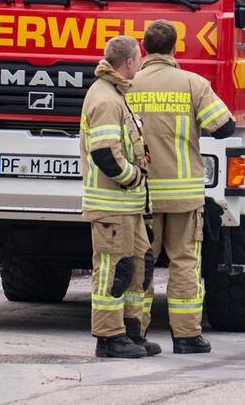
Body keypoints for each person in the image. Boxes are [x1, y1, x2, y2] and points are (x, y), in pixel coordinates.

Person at [127, 20, 234, 354]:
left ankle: (135, 334)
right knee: (185, 262)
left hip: (140, 193)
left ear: (143, 49)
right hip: (183, 196)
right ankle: (186, 336)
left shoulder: (127, 84)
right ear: (175, 48)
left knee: (141, 263)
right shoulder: (192, 84)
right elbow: (225, 127)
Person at [80, 35, 160, 359]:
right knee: (113, 273)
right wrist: (135, 178)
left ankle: (131, 332)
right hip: (112, 207)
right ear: (129, 62)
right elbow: (105, 156)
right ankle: (108, 337)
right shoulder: (105, 99)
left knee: (138, 266)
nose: (140, 65)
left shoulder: (116, 93)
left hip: (128, 207)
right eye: (139, 60)